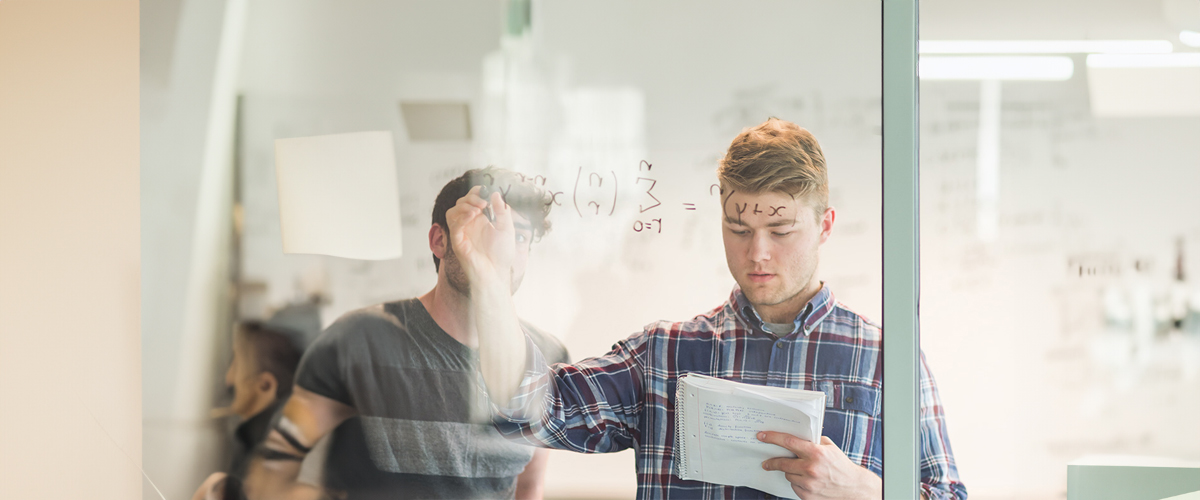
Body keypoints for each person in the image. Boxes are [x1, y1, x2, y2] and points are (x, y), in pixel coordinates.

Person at [451, 118, 968, 499]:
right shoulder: (665, 353)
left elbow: (948, 495)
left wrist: (862, 491)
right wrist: (489, 281)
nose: (757, 252)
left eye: (781, 231)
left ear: (825, 225)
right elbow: (522, 408)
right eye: (738, 230)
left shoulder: (885, 359)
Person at [244, 167, 571, 500]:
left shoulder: (546, 358)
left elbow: (529, 489)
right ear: (439, 240)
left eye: (518, 236)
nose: (498, 247)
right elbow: (273, 473)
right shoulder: (359, 341)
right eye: (483, 226)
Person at [192, 321, 311, 500]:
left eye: (236, 365)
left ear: (265, 385)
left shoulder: (271, 459)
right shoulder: (262, 442)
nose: (228, 379)